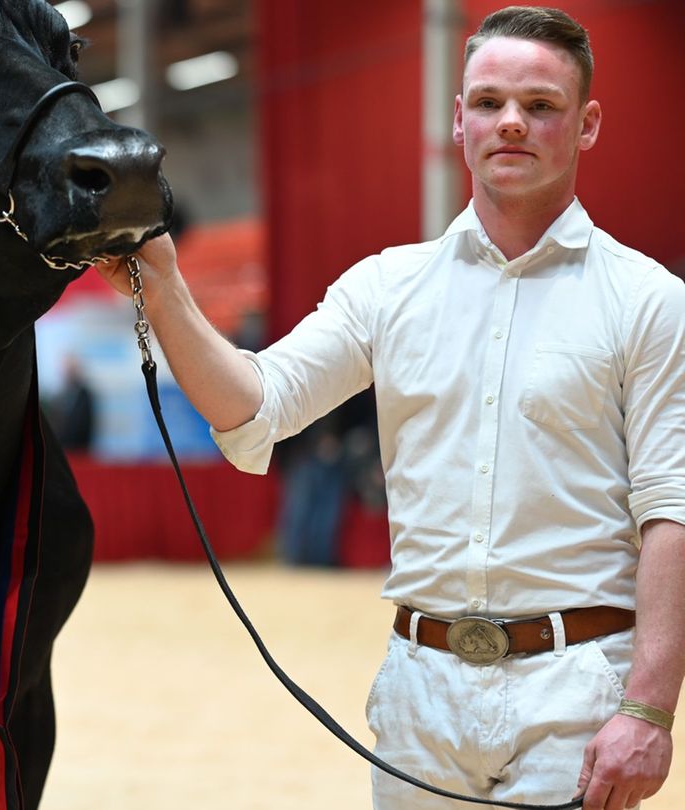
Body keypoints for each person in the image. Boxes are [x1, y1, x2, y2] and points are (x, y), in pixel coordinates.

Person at [96, 6, 685, 810]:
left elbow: (671, 511)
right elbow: (258, 406)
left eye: (540, 105)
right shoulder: (385, 287)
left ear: (585, 126)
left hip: (579, 696)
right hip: (420, 694)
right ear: (457, 121)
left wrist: (649, 708)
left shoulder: (650, 301)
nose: (511, 121)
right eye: (488, 102)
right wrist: (162, 284)